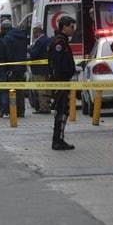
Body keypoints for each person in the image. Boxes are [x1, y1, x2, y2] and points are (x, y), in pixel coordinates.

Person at [48, 17, 77, 150]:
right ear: (64, 27)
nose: (73, 29)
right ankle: (57, 141)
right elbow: (57, 65)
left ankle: (59, 139)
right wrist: (59, 83)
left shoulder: (63, 41)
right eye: (71, 26)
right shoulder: (60, 42)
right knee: (60, 111)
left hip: (63, 82)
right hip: (61, 83)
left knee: (63, 111)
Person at [2, 21, 29, 117]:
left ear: (5, 29)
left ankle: (13, 110)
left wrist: (7, 67)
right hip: (22, 67)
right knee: (20, 90)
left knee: (12, 90)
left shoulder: (7, 38)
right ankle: (21, 111)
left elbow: (7, 54)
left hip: (12, 68)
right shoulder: (22, 36)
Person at [29, 26, 52, 114]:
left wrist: (29, 49)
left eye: (34, 33)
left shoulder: (39, 41)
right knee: (47, 89)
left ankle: (43, 108)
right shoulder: (48, 40)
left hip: (39, 69)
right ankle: (47, 106)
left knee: (40, 88)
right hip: (47, 68)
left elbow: (34, 54)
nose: (34, 36)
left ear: (37, 33)